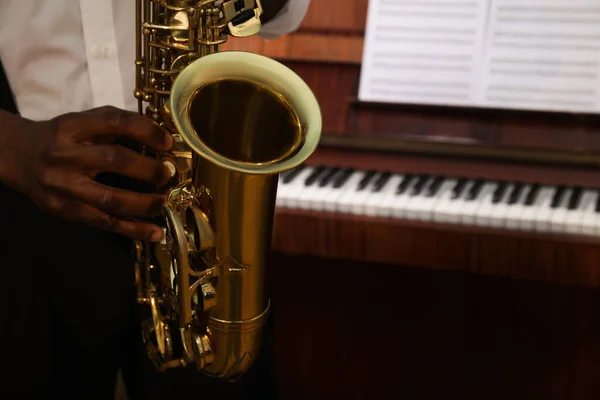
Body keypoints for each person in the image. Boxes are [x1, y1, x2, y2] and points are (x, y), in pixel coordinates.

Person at [0, 1, 310, 399]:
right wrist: (7, 146)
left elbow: (274, 11)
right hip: (18, 181)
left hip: (189, 174)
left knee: (225, 369)